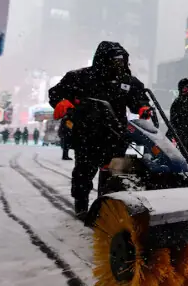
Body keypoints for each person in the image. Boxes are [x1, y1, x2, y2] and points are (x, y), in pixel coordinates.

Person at [49, 41, 151, 218]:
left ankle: (110, 206)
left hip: (116, 135)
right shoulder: (80, 77)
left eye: (122, 60)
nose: (119, 64)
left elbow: (139, 98)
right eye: (115, 60)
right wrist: (61, 101)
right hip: (87, 134)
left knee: (116, 174)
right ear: (103, 60)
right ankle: (81, 206)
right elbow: (56, 92)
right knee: (84, 173)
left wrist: (143, 107)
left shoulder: (127, 81)